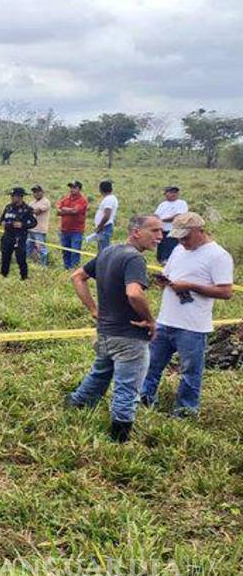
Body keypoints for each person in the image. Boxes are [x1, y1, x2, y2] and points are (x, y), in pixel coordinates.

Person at [66, 215, 164, 443]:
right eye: (155, 230)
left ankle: (75, 405)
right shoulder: (134, 259)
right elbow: (134, 293)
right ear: (136, 232)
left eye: (162, 231)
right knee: (127, 390)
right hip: (129, 337)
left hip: (106, 332)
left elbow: (77, 276)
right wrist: (150, 320)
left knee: (100, 374)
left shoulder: (109, 251)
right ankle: (119, 439)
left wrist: (94, 310)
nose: (160, 236)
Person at [140, 213, 234, 417]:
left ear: (200, 231)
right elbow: (171, 273)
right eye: (179, 237)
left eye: (186, 237)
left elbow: (226, 292)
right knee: (150, 366)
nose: (182, 241)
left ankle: (185, 412)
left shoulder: (218, 256)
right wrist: (165, 281)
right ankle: (144, 402)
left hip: (193, 327)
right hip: (165, 321)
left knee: (190, 374)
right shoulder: (178, 250)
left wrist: (190, 286)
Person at [0, 187, 38, 280]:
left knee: (20, 258)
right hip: (7, 236)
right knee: (5, 257)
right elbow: (1, 219)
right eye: (11, 196)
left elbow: (33, 223)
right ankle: (3, 275)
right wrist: (3, 222)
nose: (12, 198)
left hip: (19, 237)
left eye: (14, 196)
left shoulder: (27, 209)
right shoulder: (8, 207)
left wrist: (22, 225)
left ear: (20, 197)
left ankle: (24, 277)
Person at [56, 180, 89, 269]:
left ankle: (74, 269)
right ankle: (66, 268)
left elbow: (75, 211)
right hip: (65, 229)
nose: (72, 189)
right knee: (65, 251)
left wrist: (64, 209)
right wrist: (68, 210)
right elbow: (58, 211)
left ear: (79, 189)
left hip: (76, 231)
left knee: (75, 251)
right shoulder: (66, 198)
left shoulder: (82, 200)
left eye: (74, 187)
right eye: (71, 187)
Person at [153, 186, 189, 263]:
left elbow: (178, 216)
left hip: (174, 231)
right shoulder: (162, 204)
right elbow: (156, 215)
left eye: (175, 192)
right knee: (161, 251)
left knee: (171, 251)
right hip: (162, 231)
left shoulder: (181, 203)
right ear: (165, 194)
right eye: (171, 192)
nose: (174, 194)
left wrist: (162, 220)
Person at [90, 180, 119, 252]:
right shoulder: (110, 198)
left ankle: (103, 263)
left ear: (101, 189)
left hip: (104, 228)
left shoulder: (109, 199)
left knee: (103, 251)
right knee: (102, 249)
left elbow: (107, 215)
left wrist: (99, 227)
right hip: (104, 227)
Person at [27, 185, 51, 267]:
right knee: (28, 247)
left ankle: (43, 266)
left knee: (41, 248)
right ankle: (29, 264)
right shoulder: (32, 202)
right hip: (30, 229)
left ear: (42, 192)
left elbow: (37, 211)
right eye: (34, 192)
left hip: (40, 230)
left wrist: (28, 211)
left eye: (38, 191)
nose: (36, 193)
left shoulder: (46, 201)